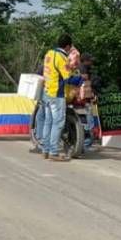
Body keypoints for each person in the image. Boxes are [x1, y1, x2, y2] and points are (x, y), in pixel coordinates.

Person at [38, 34, 81, 162]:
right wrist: (80, 80)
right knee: (58, 123)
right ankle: (54, 152)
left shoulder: (49, 53)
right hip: (57, 93)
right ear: (67, 46)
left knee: (48, 121)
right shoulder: (62, 58)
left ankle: (45, 150)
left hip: (46, 91)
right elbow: (68, 77)